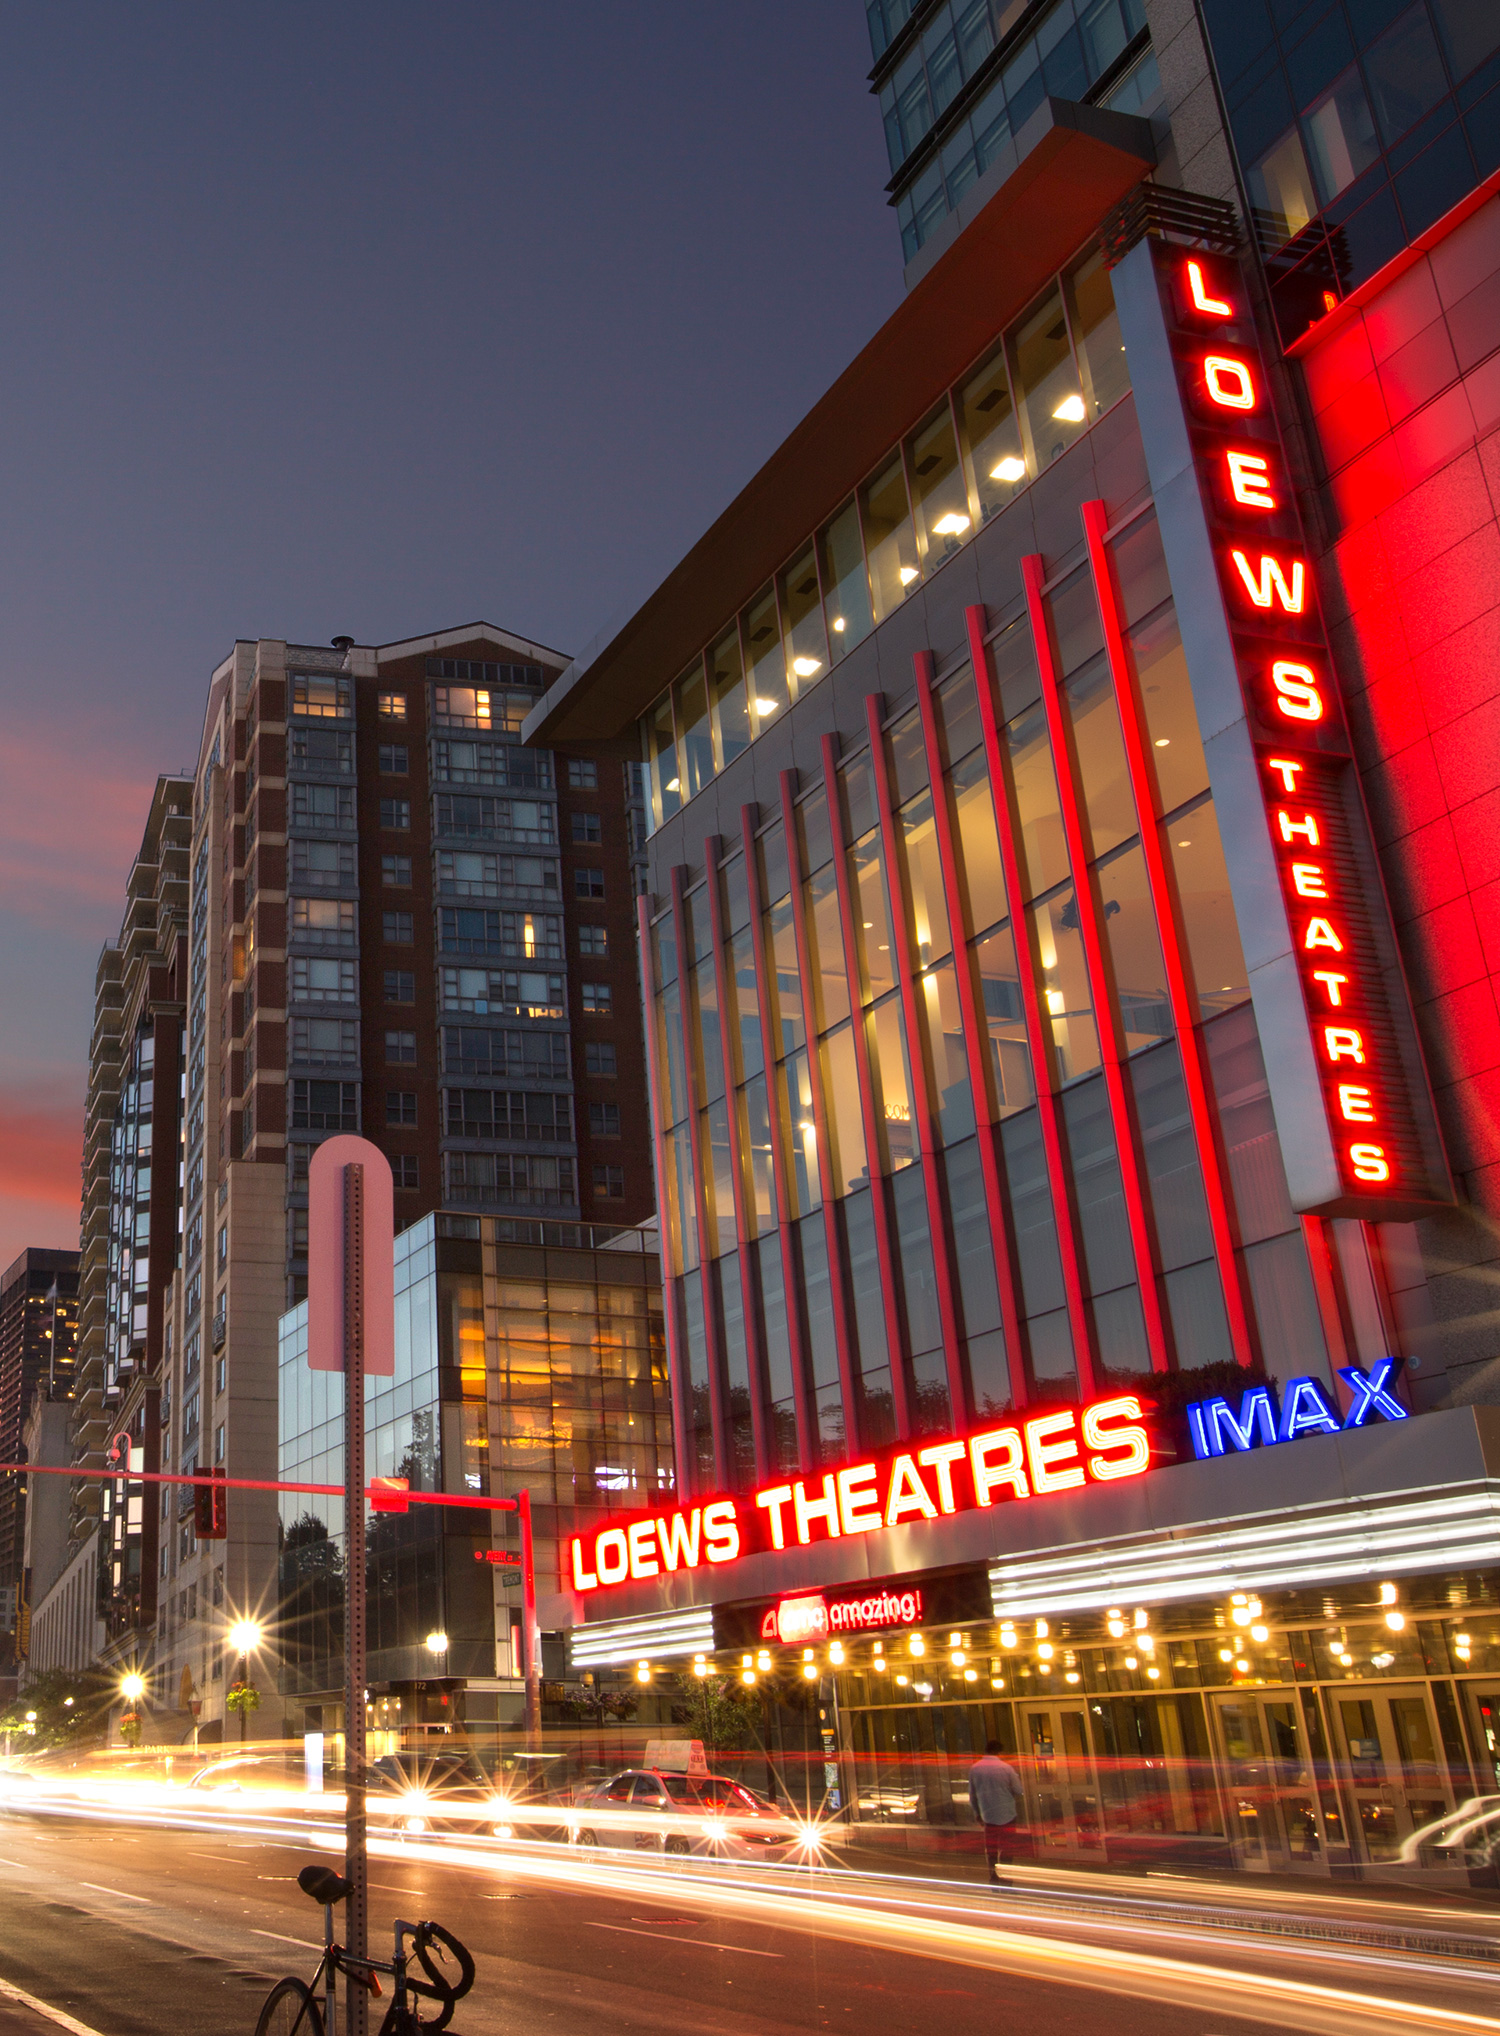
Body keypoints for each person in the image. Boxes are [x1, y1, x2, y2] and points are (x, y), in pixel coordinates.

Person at [968, 1738, 1024, 1884]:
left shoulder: (975, 1769)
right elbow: (1019, 1790)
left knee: (991, 1849)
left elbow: (972, 1795)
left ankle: (993, 1878)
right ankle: (1006, 1880)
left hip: (987, 1814)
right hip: (1007, 1814)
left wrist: (977, 1813)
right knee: (1006, 1849)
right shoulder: (1006, 1768)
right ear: (999, 1752)